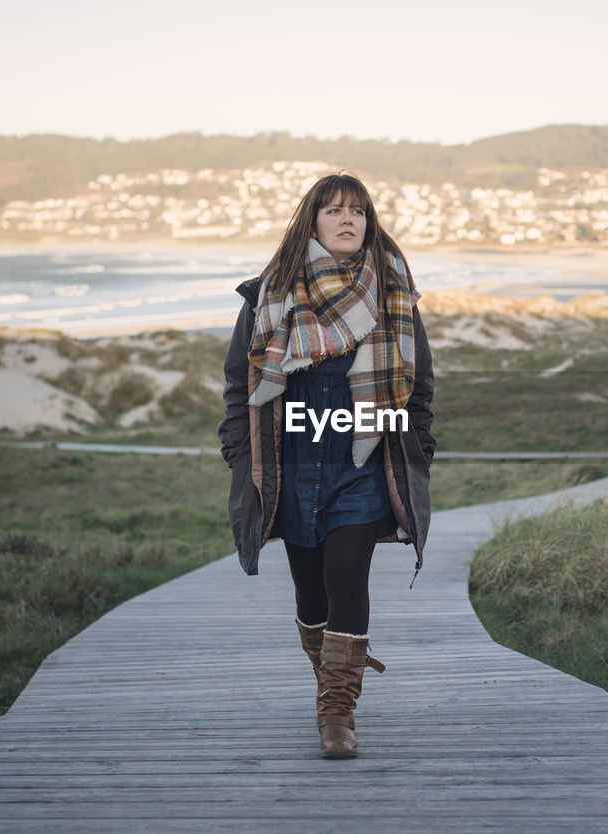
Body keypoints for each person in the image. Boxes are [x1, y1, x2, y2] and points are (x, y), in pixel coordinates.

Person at [218, 172, 435, 758]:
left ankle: (336, 713)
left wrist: (417, 450)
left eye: (358, 212)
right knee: (309, 596)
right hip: (291, 471)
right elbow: (240, 386)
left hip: (361, 467)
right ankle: (330, 681)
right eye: (335, 210)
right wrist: (239, 452)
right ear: (310, 221)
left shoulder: (394, 295)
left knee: (347, 581)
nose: (348, 220)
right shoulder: (269, 296)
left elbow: (420, 393)